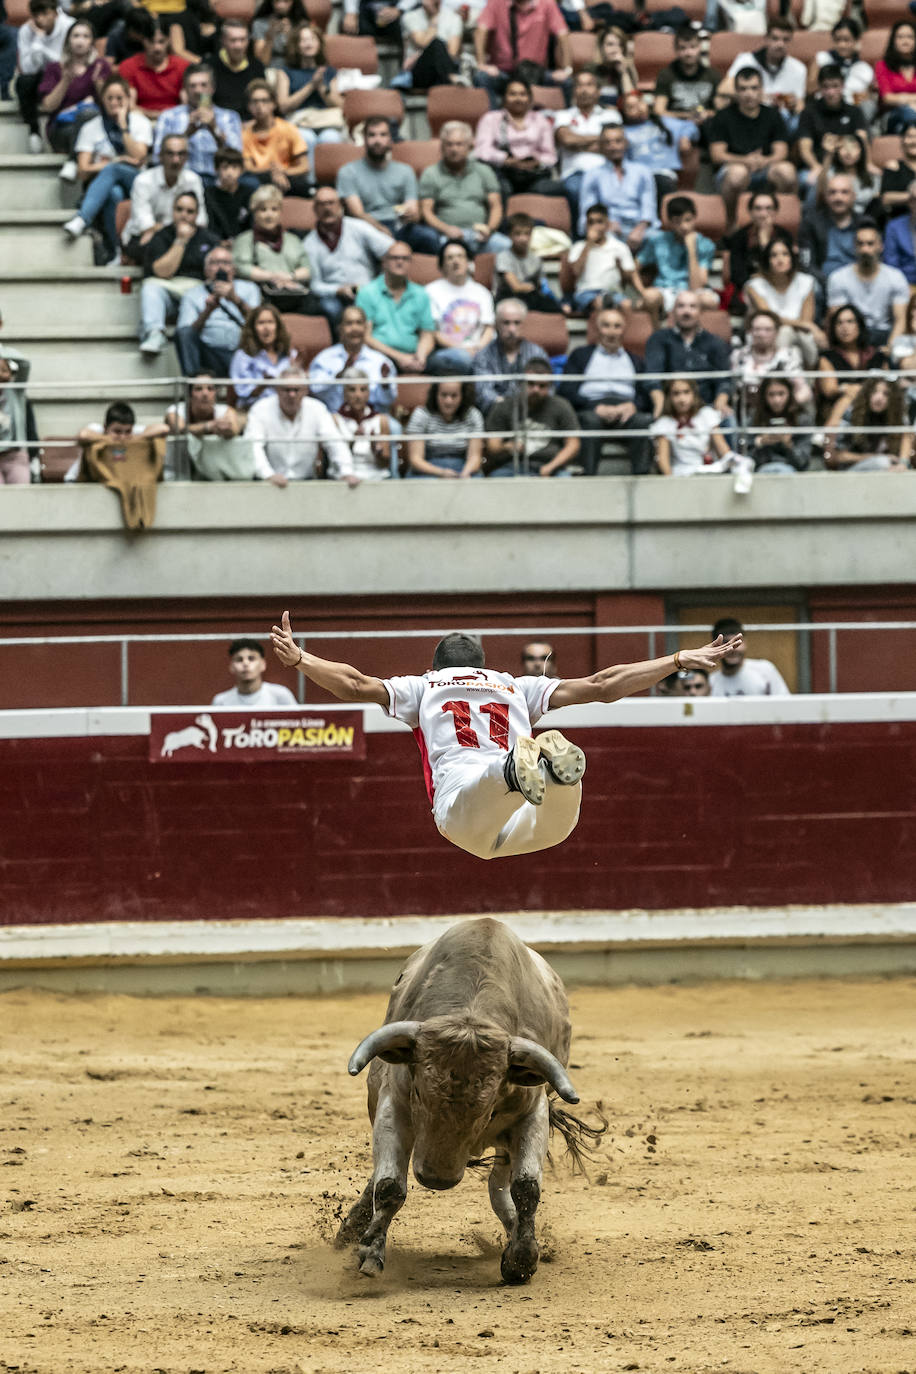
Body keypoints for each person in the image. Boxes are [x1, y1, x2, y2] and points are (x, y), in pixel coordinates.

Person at [268, 614, 744, 859]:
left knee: (485, 793)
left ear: (436, 668)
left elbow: (354, 684)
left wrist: (301, 661)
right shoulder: (517, 686)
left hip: (465, 809)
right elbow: (603, 685)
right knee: (557, 822)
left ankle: (513, 770)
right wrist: (676, 659)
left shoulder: (420, 687)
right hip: (528, 821)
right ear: (483, 666)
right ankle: (559, 779)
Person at [61, 75, 153, 262]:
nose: (114, 103)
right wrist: (116, 160)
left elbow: (139, 157)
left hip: (138, 181)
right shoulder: (91, 127)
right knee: (114, 192)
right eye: (109, 98)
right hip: (105, 185)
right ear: (102, 101)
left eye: (119, 98)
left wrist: (123, 127)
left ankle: (82, 217)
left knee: (114, 170)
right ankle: (118, 250)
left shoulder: (139, 122)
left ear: (128, 99)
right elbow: (82, 170)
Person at [559, 305, 653, 475]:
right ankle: (588, 477)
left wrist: (634, 407)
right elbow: (566, 391)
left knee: (643, 421)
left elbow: (646, 395)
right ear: (597, 329)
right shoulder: (580, 355)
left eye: (617, 326)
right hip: (592, 408)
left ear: (624, 330)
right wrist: (594, 407)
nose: (611, 332)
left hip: (626, 410)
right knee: (589, 421)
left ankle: (642, 478)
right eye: (606, 325)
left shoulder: (636, 361)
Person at [708, 67, 795, 230]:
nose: (749, 94)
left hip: (765, 168)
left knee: (787, 172)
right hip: (733, 170)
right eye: (743, 89)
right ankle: (731, 224)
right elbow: (717, 155)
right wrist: (745, 161)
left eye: (754, 88)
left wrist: (764, 161)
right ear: (736, 91)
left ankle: (779, 224)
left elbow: (782, 152)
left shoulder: (773, 115)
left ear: (761, 90)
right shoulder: (723, 116)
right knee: (737, 173)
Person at [337, 116, 438, 256]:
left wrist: (410, 215)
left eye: (383, 135)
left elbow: (414, 210)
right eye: (371, 135)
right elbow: (357, 213)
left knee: (429, 237)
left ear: (391, 140)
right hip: (367, 227)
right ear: (364, 140)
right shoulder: (348, 171)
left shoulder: (405, 171)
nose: (377, 140)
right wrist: (379, 229)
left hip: (399, 226)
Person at [138, 189, 221, 355]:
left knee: (197, 297)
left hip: (197, 292)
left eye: (190, 211)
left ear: (197, 215)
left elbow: (215, 275)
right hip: (168, 290)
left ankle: (187, 344)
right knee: (150, 288)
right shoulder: (161, 236)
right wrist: (180, 241)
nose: (184, 215)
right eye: (179, 209)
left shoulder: (209, 238)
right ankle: (155, 334)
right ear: (172, 211)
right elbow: (161, 272)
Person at [245, 368, 357, 485]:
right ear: (277, 390)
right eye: (286, 390)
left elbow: (335, 442)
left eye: (296, 390)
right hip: (268, 484)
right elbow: (253, 447)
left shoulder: (317, 408)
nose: (292, 395)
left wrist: (346, 472)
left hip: (307, 483)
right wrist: (267, 474)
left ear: (305, 390)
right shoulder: (260, 409)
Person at [418, 121, 512, 256]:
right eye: (449, 144)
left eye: (459, 144)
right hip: (448, 236)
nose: (454, 149)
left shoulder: (484, 171)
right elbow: (426, 211)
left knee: (508, 247)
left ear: (469, 146)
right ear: (442, 147)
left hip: (480, 235)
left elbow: (495, 206)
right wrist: (446, 229)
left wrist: (489, 229)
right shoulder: (430, 173)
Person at [303, 187, 392, 327]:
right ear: (314, 209)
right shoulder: (309, 243)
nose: (327, 208)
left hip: (367, 289)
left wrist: (379, 282)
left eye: (331, 203)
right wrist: (338, 290)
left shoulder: (358, 227)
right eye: (322, 204)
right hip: (335, 296)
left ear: (340, 205)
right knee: (330, 308)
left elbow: (390, 249)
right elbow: (315, 284)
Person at [119, 133, 206, 266]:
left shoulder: (193, 180)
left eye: (181, 154)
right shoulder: (143, 181)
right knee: (150, 245)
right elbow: (145, 226)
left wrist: (163, 228)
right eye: (170, 154)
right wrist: (177, 226)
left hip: (180, 234)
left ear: (187, 157)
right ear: (160, 156)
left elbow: (201, 220)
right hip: (142, 237)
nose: (176, 160)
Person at [644, 290, 732, 422]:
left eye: (692, 306)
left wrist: (720, 402)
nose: (687, 312)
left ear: (701, 312)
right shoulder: (658, 339)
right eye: (681, 306)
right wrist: (661, 405)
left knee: (728, 419)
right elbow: (653, 378)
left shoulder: (715, 342)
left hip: (706, 406)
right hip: (670, 406)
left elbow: (724, 380)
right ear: (672, 311)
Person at [174, 244, 260, 376]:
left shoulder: (250, 289)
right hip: (210, 355)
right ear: (206, 270)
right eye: (215, 263)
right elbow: (187, 333)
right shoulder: (192, 294)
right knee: (184, 333)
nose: (221, 267)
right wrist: (207, 311)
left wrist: (237, 301)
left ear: (234, 268)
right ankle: (194, 387)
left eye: (226, 263)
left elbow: (259, 323)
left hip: (243, 351)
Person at [485, 358, 580, 477]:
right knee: (496, 479)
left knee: (565, 479)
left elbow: (573, 445)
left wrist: (551, 467)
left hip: (550, 465)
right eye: (531, 384)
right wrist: (507, 446)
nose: (536, 390)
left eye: (542, 386)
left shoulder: (561, 406)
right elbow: (492, 446)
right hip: (511, 465)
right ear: (521, 384)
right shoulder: (503, 406)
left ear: (550, 386)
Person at [269, 22, 344, 169]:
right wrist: (311, 86)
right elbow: (283, 106)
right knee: (306, 138)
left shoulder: (328, 72)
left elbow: (339, 104)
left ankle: (328, 183)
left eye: (312, 39)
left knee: (331, 138)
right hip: (298, 122)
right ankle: (309, 185)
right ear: (296, 46)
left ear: (319, 44)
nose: (308, 44)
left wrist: (321, 86)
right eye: (303, 40)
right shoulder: (285, 72)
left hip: (325, 121)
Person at [152, 63, 242, 185]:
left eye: (203, 85)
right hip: (182, 180)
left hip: (219, 181)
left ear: (212, 88)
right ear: (185, 90)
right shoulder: (169, 117)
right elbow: (157, 157)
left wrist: (215, 129)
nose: (198, 90)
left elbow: (237, 158)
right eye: (192, 86)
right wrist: (186, 133)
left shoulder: (230, 117)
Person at [233, 183, 315, 314]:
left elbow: (307, 269)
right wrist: (273, 277)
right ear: (254, 213)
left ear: (281, 212)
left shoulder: (293, 239)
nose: (269, 215)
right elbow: (241, 268)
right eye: (263, 209)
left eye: (274, 209)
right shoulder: (244, 240)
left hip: (292, 293)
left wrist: (289, 277)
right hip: (260, 296)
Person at [355, 242, 436, 375]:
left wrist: (420, 357)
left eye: (405, 258)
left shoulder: (421, 294)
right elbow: (365, 337)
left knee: (451, 362)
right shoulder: (367, 292)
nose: (400, 262)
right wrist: (400, 357)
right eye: (394, 258)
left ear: (411, 263)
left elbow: (427, 333)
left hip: (414, 355)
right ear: (384, 262)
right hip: (379, 356)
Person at [473, 77, 561, 200]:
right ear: (504, 98)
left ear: (530, 98)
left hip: (533, 174)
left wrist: (536, 162)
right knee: (501, 189)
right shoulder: (491, 119)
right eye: (512, 94)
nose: (518, 99)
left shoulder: (540, 120)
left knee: (554, 188)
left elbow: (551, 156)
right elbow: (481, 150)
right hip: (502, 172)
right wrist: (506, 160)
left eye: (522, 94)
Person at [553, 68, 621, 226]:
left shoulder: (611, 115)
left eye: (589, 85)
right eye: (579, 85)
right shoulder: (563, 115)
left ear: (598, 91)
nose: (584, 90)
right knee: (577, 190)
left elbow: (615, 146)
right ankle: (582, 238)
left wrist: (578, 143)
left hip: (607, 171)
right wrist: (602, 139)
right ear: (574, 90)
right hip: (575, 174)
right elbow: (567, 140)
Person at [472, 0, 571, 108]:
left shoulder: (547, 3)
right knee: (482, 77)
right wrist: (481, 64)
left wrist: (566, 69)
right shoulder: (496, 2)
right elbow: (481, 31)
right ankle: (494, 120)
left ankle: (565, 120)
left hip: (536, 73)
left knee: (566, 82)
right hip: (504, 73)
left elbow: (563, 35)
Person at [720, 17, 807, 139]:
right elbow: (724, 90)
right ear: (766, 39)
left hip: (781, 120)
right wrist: (760, 97)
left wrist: (792, 103)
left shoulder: (798, 68)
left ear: (791, 42)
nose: (780, 44)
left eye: (786, 40)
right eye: (775, 38)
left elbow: (800, 105)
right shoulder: (746, 60)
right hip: (749, 115)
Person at [566, 201, 657, 318]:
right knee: (600, 302)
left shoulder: (620, 247)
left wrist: (621, 269)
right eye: (591, 222)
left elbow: (630, 275)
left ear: (607, 224)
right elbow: (576, 272)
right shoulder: (578, 247)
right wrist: (588, 244)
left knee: (627, 304)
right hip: (586, 293)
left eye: (599, 222)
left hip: (614, 293)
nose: (595, 226)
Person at [38, 19, 110, 165]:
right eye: (76, 36)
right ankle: (74, 161)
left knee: (90, 116)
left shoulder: (101, 67)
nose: (80, 41)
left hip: (96, 127)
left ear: (92, 42)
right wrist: (65, 81)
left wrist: (99, 85)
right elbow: (48, 106)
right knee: (87, 124)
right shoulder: (55, 68)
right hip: (61, 129)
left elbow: (110, 106)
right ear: (68, 40)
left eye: (85, 36)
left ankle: (73, 163)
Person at [826, 221, 910, 347]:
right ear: (854, 247)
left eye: (870, 244)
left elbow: (901, 320)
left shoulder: (896, 277)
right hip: (852, 336)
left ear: (881, 246)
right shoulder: (838, 278)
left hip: (886, 333)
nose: (865, 249)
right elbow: (839, 320)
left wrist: (889, 349)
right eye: (860, 244)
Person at [745, 237, 823, 369]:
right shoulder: (754, 286)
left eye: (785, 254)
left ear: (792, 258)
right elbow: (771, 319)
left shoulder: (806, 281)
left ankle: (808, 382)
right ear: (767, 260)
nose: (780, 260)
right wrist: (809, 326)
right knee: (785, 332)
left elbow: (806, 320)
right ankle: (778, 378)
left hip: (800, 334)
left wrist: (806, 326)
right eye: (774, 255)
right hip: (767, 335)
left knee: (806, 338)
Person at [576, 125, 658, 250]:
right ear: (601, 146)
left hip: (640, 228)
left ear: (625, 143)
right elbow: (588, 210)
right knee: (602, 240)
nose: (613, 146)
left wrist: (640, 229)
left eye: (618, 141)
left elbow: (648, 206)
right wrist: (606, 225)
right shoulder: (592, 175)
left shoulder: (643, 171)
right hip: (608, 228)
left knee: (660, 240)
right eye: (607, 143)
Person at [308, 304, 397, 415]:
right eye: (349, 323)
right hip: (333, 417)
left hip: (372, 417)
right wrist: (338, 376)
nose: (354, 328)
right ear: (340, 328)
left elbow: (388, 401)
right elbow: (314, 390)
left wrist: (385, 384)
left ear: (366, 327)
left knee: (395, 428)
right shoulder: (324, 359)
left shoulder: (381, 362)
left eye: (359, 323)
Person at [638, 195, 718, 315]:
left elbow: (697, 286)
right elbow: (632, 267)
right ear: (669, 222)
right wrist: (641, 290)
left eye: (688, 220)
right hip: (664, 290)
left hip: (692, 291)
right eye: (677, 222)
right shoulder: (658, 241)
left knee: (708, 301)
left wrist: (691, 249)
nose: (684, 227)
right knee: (649, 297)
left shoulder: (706, 245)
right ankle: (658, 333)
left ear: (695, 218)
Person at [731, 307, 813, 426]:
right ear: (750, 332)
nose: (761, 334)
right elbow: (734, 388)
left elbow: (804, 390)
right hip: (748, 413)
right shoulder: (739, 355)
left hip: (783, 411)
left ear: (777, 332)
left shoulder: (789, 355)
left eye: (767, 329)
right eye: (757, 329)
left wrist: (784, 402)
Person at [618, 90, 698, 210]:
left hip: (663, 173)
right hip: (638, 176)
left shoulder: (664, 122)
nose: (638, 109)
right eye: (631, 107)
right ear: (624, 113)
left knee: (661, 183)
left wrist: (685, 137)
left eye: (640, 103)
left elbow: (689, 125)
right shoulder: (624, 132)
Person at [796, 63, 868, 196]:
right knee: (811, 180)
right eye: (825, 87)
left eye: (835, 86)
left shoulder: (854, 112)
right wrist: (816, 167)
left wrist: (865, 166)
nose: (830, 92)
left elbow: (862, 142)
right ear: (819, 88)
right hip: (817, 165)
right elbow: (804, 147)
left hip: (848, 167)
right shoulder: (809, 112)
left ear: (843, 86)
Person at [426, 241, 496, 375]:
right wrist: (463, 350)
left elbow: (489, 328)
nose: (455, 261)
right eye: (450, 258)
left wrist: (478, 348)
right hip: (445, 351)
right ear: (442, 265)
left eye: (460, 256)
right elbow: (433, 332)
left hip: (479, 349)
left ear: (469, 262)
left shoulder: (482, 292)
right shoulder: (431, 291)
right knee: (465, 360)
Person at [472, 298, 550, 414]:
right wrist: (509, 407)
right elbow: (483, 393)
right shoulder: (483, 356)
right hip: (497, 415)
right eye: (506, 323)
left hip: (532, 412)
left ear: (524, 325)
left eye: (517, 323)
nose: (511, 329)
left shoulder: (537, 353)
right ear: (497, 324)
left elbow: (547, 389)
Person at [650, 377, 739, 478]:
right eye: (676, 393)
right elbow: (663, 461)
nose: (682, 399)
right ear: (669, 397)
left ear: (694, 394)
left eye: (686, 392)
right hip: (681, 475)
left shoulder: (707, 414)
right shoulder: (664, 423)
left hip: (709, 471)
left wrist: (737, 463)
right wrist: (672, 484)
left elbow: (723, 449)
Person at [16, 0, 74, 153]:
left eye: (45, 14)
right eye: (36, 15)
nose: (40, 20)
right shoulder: (26, 31)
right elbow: (28, 69)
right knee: (23, 82)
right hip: (39, 77)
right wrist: (38, 39)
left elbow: (65, 63)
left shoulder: (69, 26)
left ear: (55, 13)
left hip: (62, 76)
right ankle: (34, 130)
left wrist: (42, 49)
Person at [817, 302, 887, 424]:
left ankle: (827, 436)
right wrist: (846, 389)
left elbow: (887, 387)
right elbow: (829, 390)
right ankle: (829, 436)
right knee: (847, 398)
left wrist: (855, 389)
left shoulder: (876, 355)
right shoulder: (827, 357)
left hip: (874, 408)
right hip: (841, 415)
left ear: (859, 325)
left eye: (850, 322)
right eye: (839, 323)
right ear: (833, 328)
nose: (844, 327)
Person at [405, 373, 484, 480]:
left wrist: (465, 473)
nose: (448, 401)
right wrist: (441, 473)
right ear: (435, 395)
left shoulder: (473, 415)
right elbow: (415, 459)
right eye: (444, 395)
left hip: (463, 467)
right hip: (428, 469)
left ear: (463, 396)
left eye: (454, 396)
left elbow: (475, 457)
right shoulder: (421, 414)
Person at [241, 78, 310, 200]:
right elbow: (249, 167)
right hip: (260, 178)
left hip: (287, 177)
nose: (259, 106)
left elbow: (304, 167)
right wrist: (272, 172)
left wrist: (282, 172)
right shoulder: (245, 133)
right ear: (248, 106)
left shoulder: (288, 128)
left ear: (273, 103)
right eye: (254, 102)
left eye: (264, 101)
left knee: (303, 185)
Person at [827, 374, 913, 471]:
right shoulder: (852, 413)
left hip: (883, 469)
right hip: (850, 471)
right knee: (883, 462)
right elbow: (839, 456)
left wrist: (903, 463)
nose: (879, 398)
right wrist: (873, 457)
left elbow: (906, 436)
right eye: (874, 392)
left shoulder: (896, 415)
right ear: (867, 393)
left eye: (886, 394)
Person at [722, 190, 794, 299]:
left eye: (768, 208)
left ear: (776, 212)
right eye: (758, 208)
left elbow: (789, 270)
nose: (763, 214)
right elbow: (737, 275)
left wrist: (765, 243)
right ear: (750, 212)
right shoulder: (739, 237)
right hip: (749, 290)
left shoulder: (785, 236)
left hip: (781, 287)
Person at [330, 368, 398, 482]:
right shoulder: (334, 420)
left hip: (375, 478)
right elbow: (333, 461)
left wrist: (375, 448)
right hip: (343, 479)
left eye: (363, 389)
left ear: (369, 393)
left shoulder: (381, 420)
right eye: (352, 390)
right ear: (344, 393)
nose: (358, 395)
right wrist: (352, 443)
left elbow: (384, 464)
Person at [119, 17, 191, 120]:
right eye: (151, 42)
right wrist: (156, 116)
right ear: (143, 41)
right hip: (141, 120)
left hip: (176, 119)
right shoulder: (128, 66)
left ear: (169, 41)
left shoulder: (183, 66)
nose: (157, 47)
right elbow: (130, 106)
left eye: (161, 42)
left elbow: (187, 104)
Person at [229, 302, 297, 407]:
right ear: (252, 328)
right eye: (261, 323)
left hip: (285, 409)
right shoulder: (243, 356)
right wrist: (263, 385)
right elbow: (242, 392)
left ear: (278, 327)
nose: (266, 328)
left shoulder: (290, 354)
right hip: (253, 409)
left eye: (270, 322)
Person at [495, 211, 564, 313]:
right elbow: (516, 287)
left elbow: (543, 286)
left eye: (527, 233)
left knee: (555, 307)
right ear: (509, 235)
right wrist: (531, 287)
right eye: (518, 234)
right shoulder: (503, 257)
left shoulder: (536, 259)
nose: (523, 238)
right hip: (506, 297)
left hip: (529, 296)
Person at [798, 173, 862, 283]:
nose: (838, 197)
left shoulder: (864, 223)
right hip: (823, 280)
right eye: (832, 192)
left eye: (844, 192)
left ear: (853, 196)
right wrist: (829, 282)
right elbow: (806, 264)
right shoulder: (811, 223)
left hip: (858, 281)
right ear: (826, 197)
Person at [653, 25, 721, 125]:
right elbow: (659, 111)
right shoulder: (666, 74)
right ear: (676, 50)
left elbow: (721, 111)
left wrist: (707, 114)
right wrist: (687, 116)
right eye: (683, 48)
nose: (688, 53)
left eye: (693, 47)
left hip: (706, 123)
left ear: (700, 47)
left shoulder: (713, 75)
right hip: (676, 124)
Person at [707, 617, 789, 696]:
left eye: (737, 642)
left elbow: (785, 704)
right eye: (725, 643)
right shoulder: (711, 682)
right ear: (715, 646)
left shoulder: (765, 670)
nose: (733, 649)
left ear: (745, 643)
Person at [395, 0, 465, 92]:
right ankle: (451, 78)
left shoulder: (454, 18)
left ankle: (448, 80)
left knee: (437, 44)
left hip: (444, 68)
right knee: (436, 43)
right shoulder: (410, 17)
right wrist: (434, 21)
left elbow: (452, 52)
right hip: (420, 72)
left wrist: (418, 54)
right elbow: (422, 42)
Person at [749, 375, 811, 473]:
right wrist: (761, 442)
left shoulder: (802, 419)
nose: (776, 400)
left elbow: (803, 463)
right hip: (761, 471)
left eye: (781, 394)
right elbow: (744, 461)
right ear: (764, 396)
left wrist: (789, 445)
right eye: (771, 394)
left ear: (790, 393)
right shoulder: (754, 417)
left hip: (791, 472)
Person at [212, 637, 298, 708]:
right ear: (231, 666)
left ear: (263, 664)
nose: (245, 663)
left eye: (251, 658)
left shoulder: (281, 696)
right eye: (239, 660)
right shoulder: (220, 702)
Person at [809, 17, 873, 110]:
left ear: (856, 41)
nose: (842, 45)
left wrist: (866, 97)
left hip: (852, 113)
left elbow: (869, 97)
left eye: (846, 40)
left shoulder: (864, 68)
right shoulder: (822, 58)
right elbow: (809, 90)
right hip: (824, 109)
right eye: (837, 40)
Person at [211, 18, 267, 118]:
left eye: (242, 40)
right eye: (233, 40)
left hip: (249, 124)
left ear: (248, 41)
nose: (238, 45)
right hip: (218, 122)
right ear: (223, 41)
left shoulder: (257, 67)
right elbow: (203, 101)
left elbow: (262, 104)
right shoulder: (209, 66)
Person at [874, 21, 916, 135]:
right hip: (892, 115)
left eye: (910, 37)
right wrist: (911, 104)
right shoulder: (882, 65)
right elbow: (887, 98)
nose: (905, 41)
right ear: (893, 41)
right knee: (907, 112)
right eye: (900, 37)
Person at [0, 345, 32, 485]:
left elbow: (24, 364)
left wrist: (2, 353)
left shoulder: (15, 391)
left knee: (21, 497)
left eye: (3, 369)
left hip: (15, 455)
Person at [204, 147, 250, 239]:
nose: (229, 173)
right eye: (225, 168)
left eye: (234, 167)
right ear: (216, 169)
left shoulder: (249, 193)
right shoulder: (209, 194)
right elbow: (211, 224)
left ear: (241, 170)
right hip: (217, 242)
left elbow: (251, 224)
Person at [592, 26, 637, 111]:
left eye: (620, 45)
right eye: (610, 44)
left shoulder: (627, 68)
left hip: (623, 115)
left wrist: (623, 73)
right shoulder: (592, 69)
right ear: (601, 47)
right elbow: (586, 100)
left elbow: (632, 103)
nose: (615, 50)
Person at [879, 124, 916, 222]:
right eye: (910, 136)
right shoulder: (893, 166)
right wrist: (911, 196)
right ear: (902, 140)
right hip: (899, 220)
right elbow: (885, 198)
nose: (914, 141)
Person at [251, 0, 305, 66]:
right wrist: (270, 37)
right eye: (276, 1)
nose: (280, 6)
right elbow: (261, 62)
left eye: (286, 1)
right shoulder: (260, 23)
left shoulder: (301, 24)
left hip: (294, 68)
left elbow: (304, 58)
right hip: (270, 68)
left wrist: (290, 35)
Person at [883, 184, 916, 284]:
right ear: (909, 202)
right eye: (914, 200)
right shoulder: (894, 227)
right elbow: (891, 265)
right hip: (904, 285)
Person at [168, 0, 219, 65]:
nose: (216, 1)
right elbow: (177, 51)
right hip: (190, 68)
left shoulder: (218, 19)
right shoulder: (179, 20)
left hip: (214, 67)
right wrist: (203, 63)